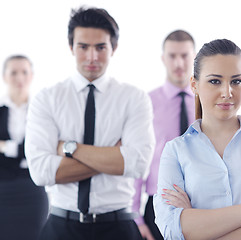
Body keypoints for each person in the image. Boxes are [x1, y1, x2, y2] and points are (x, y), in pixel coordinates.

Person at [25, 7, 155, 240]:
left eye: (100, 47)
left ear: (113, 48)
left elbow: (138, 164)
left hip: (119, 227)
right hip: (61, 226)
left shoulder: (134, 98)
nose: (92, 57)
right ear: (71, 47)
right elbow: (41, 171)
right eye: (83, 47)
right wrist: (115, 156)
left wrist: (70, 149)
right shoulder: (47, 98)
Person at [154, 39, 241, 239]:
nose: (227, 92)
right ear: (194, 85)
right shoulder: (176, 151)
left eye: (236, 81)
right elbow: (172, 228)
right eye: (215, 81)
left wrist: (199, 227)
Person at [132, 30, 196, 240]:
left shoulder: (208, 102)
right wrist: (136, 217)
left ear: (194, 58)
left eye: (184, 55)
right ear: (163, 59)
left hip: (202, 202)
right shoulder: (147, 104)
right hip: (159, 203)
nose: (179, 63)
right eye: (172, 56)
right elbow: (137, 158)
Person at [0, 55, 48, 240]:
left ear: (31, 75)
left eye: (24, 72)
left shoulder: (42, 110)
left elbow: (43, 147)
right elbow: (29, 149)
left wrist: (5, 147)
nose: (19, 78)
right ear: (4, 76)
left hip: (32, 186)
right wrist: (22, 149)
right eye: (13, 73)